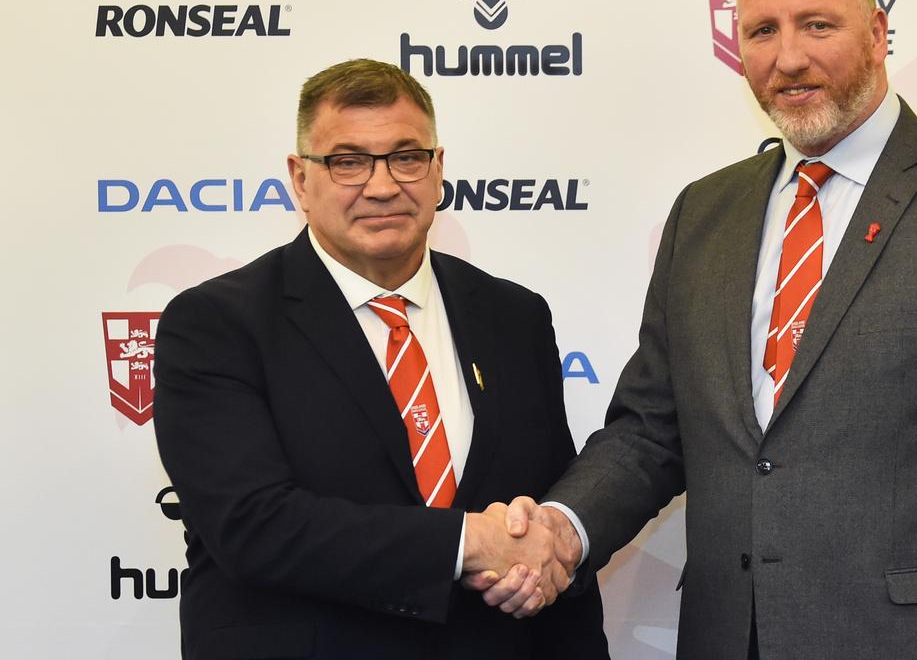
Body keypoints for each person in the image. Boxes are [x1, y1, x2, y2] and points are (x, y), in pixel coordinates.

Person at [496, 0, 917, 658]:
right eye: (762, 32)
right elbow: (651, 429)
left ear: (879, 34)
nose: (788, 59)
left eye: (818, 25)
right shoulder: (706, 212)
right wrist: (563, 528)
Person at [152, 58, 608, 659]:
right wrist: (471, 540)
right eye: (347, 161)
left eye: (406, 156)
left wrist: (544, 561)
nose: (383, 185)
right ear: (299, 177)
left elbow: (543, 509)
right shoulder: (216, 323)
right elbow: (252, 525)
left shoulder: (513, 316)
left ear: (439, 169)